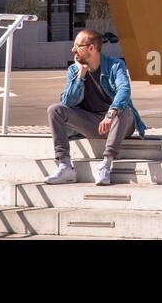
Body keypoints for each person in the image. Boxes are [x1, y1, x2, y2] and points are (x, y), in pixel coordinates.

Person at [44, 29, 146, 186]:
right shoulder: (74, 70)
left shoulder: (115, 66)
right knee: (55, 110)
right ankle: (65, 166)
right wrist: (80, 75)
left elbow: (124, 90)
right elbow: (67, 102)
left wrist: (110, 114)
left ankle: (106, 164)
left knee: (123, 109)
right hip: (93, 123)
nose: (73, 50)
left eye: (78, 46)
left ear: (91, 48)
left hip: (119, 122)